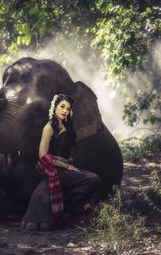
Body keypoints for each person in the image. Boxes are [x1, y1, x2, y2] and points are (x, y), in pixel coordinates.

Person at [36, 94, 100, 228]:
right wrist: (66, 166)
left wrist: (69, 165)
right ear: (54, 107)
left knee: (93, 179)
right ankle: (69, 207)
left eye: (68, 108)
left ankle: (73, 208)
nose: (65, 111)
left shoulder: (66, 126)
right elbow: (42, 154)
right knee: (92, 179)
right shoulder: (49, 128)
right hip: (56, 169)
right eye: (62, 106)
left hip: (65, 167)